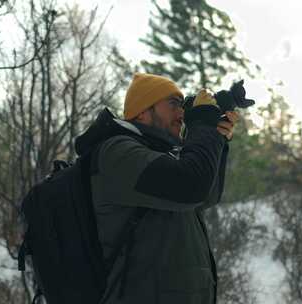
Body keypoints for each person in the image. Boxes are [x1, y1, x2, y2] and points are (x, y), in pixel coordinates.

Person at [74, 72, 239, 304]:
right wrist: (202, 124)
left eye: (183, 106)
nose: (182, 113)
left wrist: (215, 137)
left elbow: (204, 197)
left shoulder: (163, 157)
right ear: (142, 111)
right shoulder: (117, 152)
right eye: (173, 104)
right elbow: (192, 187)